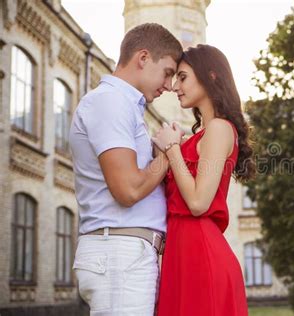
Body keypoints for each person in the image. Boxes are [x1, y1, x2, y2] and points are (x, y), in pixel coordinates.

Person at [69, 23, 182, 315]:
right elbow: (128, 189)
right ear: (143, 58)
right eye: (168, 72)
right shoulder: (111, 101)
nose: (169, 85)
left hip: (126, 253)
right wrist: (169, 154)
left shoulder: (126, 105)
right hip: (118, 253)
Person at [152, 44, 255, 316]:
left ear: (210, 76)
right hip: (181, 254)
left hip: (200, 257)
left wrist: (172, 149)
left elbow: (198, 202)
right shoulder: (199, 136)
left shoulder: (220, 129)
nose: (175, 86)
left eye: (183, 77)